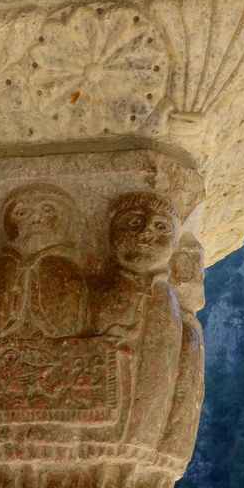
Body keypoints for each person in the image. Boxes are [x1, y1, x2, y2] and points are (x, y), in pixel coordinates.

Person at [90, 191, 183, 450]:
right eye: (134, 223)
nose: (145, 234)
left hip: (143, 419)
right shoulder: (106, 287)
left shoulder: (164, 294)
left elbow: (165, 363)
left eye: (161, 227)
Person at [0, 183, 87, 338]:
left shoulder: (65, 268)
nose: (35, 218)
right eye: (22, 213)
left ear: (67, 219)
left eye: (48, 210)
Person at [160, 233, 205, 465]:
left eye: (198, 261)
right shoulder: (170, 314)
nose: (196, 268)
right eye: (187, 258)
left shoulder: (186, 322)